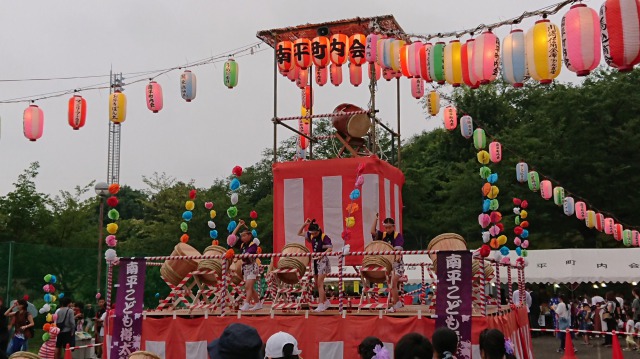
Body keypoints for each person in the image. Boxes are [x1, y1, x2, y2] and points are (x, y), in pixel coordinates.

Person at [370, 213, 405, 312]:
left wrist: (397, 256)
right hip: (388, 264)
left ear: (393, 226)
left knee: (393, 284)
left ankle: (396, 304)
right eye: (386, 227)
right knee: (391, 285)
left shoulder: (397, 235)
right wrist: (376, 219)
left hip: (397, 263)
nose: (388, 229)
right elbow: (372, 231)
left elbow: (398, 249)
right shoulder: (383, 235)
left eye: (389, 227)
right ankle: (396, 304)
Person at [298, 218, 332, 312]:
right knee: (317, 284)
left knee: (320, 283)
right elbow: (299, 233)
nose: (313, 235)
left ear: (319, 230)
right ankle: (326, 302)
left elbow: (330, 248)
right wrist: (305, 224)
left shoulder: (324, 237)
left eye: (315, 233)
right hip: (314, 260)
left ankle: (321, 304)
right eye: (312, 233)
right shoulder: (311, 235)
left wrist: (322, 255)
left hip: (323, 260)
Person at [232, 219, 262, 311]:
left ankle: (247, 304)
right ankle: (258, 303)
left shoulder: (253, 244)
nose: (242, 238)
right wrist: (239, 225)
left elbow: (248, 254)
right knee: (250, 287)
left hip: (253, 266)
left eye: (244, 235)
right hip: (245, 267)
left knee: (247, 286)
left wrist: (241, 256)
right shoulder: (242, 245)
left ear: (250, 236)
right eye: (241, 236)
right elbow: (232, 238)